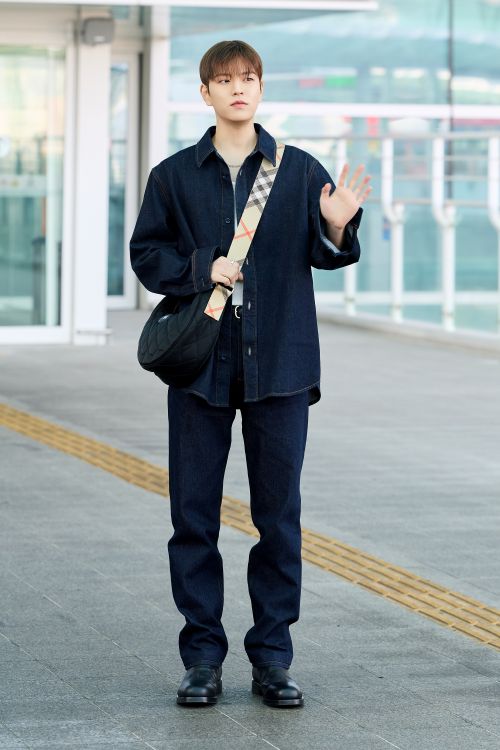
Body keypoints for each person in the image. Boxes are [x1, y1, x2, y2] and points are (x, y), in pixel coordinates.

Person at [129, 40, 371, 709]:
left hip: (281, 367)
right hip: (200, 368)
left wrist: (337, 227)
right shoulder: (174, 176)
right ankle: (202, 658)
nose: (238, 88)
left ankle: (273, 659)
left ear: (261, 89)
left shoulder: (297, 170)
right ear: (205, 93)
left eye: (249, 78)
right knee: (193, 518)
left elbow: (329, 252)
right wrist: (202, 265)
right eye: (225, 80)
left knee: (279, 519)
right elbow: (146, 255)